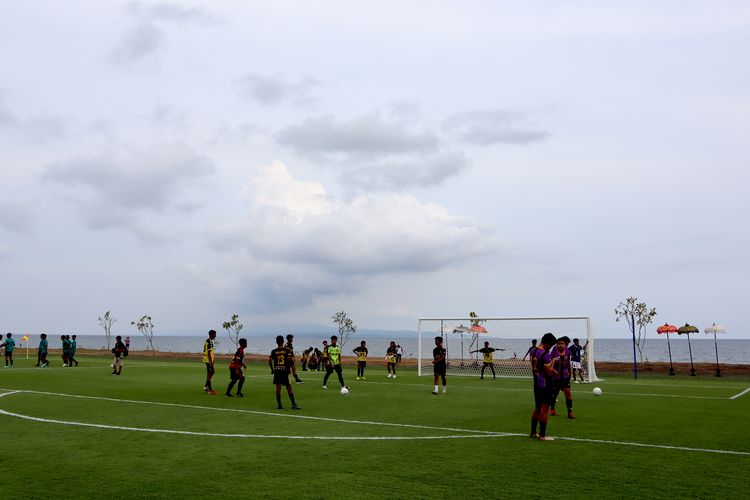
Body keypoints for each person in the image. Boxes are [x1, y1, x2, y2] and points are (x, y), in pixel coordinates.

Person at [529, 332, 558, 441]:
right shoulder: (544, 354)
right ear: (548, 343)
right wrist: (555, 369)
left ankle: (533, 432)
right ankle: (542, 435)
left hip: (536, 382)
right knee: (544, 409)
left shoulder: (533, 351)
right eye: (550, 345)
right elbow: (548, 370)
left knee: (537, 407)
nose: (550, 348)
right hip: (545, 383)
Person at [269, 335, 301, 410]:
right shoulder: (288, 350)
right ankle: (293, 404)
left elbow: (269, 360)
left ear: (276, 342)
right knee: (289, 387)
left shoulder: (274, 351)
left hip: (277, 371)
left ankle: (280, 405)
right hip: (285, 372)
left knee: (278, 388)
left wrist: (272, 369)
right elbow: (290, 361)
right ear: (283, 341)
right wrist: (293, 369)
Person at [549, 336, 575, 419]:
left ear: (565, 345)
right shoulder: (553, 352)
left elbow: (568, 363)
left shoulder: (567, 352)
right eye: (558, 344)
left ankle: (570, 412)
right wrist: (553, 367)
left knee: (568, 393)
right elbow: (549, 364)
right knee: (555, 394)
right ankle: (552, 409)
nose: (560, 345)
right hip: (555, 378)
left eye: (562, 344)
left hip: (565, 377)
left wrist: (570, 373)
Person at [202, 329, 217, 395]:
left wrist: (213, 360)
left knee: (211, 372)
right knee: (210, 372)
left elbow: (210, 352)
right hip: (208, 360)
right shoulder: (209, 342)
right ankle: (210, 390)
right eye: (214, 334)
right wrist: (211, 362)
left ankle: (206, 386)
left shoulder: (209, 341)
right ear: (211, 335)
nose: (215, 336)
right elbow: (208, 353)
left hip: (208, 359)